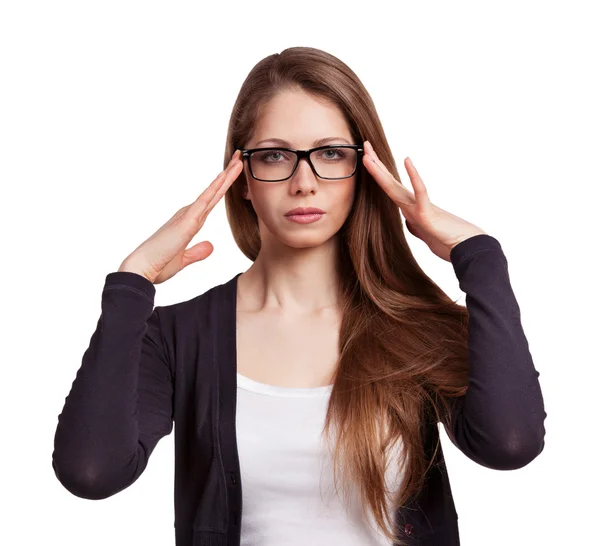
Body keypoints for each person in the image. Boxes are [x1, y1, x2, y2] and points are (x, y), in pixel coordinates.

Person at [52, 46, 547, 546]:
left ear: (365, 170)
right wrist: (133, 281)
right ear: (241, 177)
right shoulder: (177, 336)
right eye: (274, 155)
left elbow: (509, 444)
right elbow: (91, 471)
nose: (303, 183)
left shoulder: (414, 324)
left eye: (331, 153)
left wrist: (480, 256)